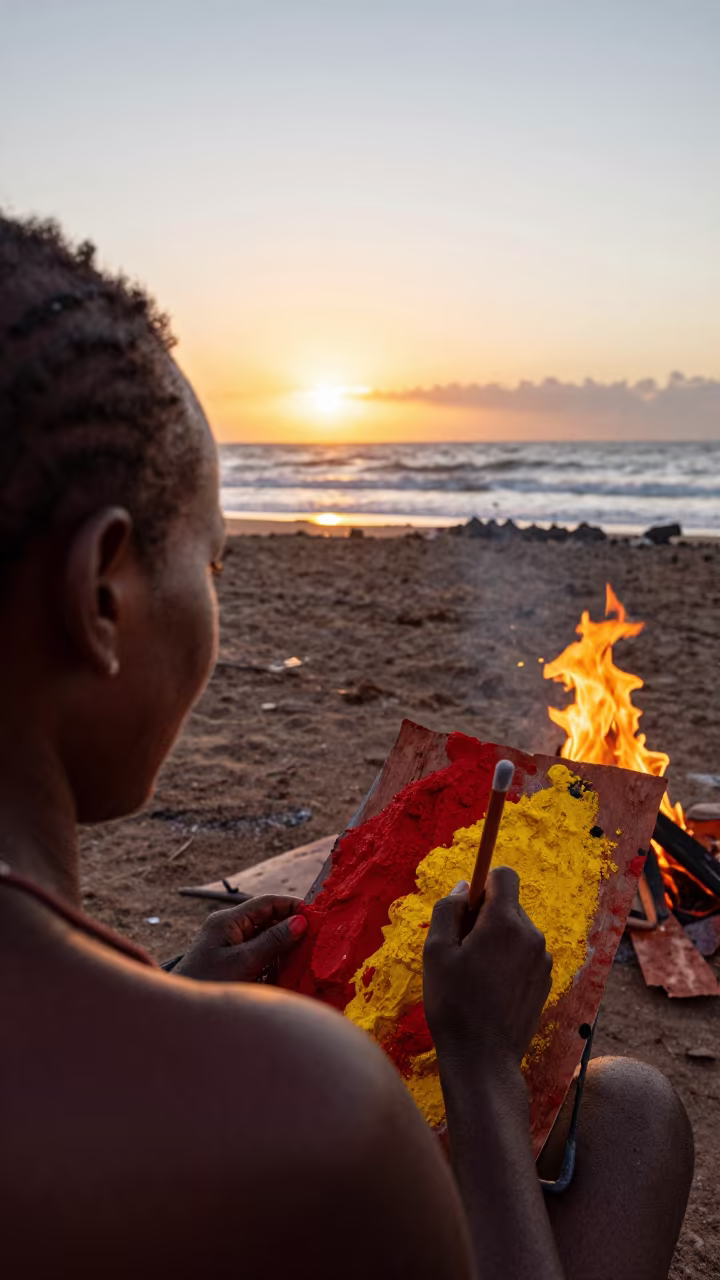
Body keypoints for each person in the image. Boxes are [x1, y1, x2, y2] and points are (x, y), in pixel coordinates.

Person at [0, 212, 693, 1280]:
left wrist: (181, 981)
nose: (219, 598)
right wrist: (478, 1068)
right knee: (636, 1127)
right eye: (217, 564)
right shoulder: (309, 1094)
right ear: (102, 594)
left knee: (633, 1107)